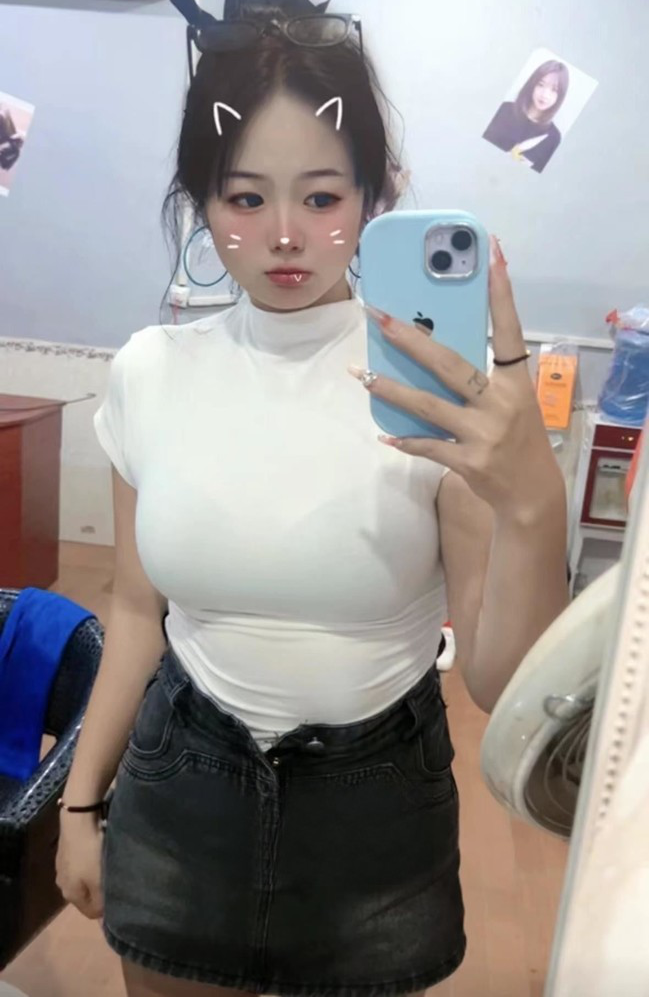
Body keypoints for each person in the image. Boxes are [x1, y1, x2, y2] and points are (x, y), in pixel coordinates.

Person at [55, 4, 570, 996]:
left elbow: (497, 679)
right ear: (201, 200)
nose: (285, 234)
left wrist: (531, 505)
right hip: (180, 789)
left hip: (375, 812)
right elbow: (134, 606)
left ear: (378, 195)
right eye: (244, 197)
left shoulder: (437, 391)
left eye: (323, 195)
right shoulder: (149, 371)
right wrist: (80, 805)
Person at [483, 59, 570, 173]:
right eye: (541, 85)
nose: (545, 95)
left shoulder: (553, 138)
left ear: (560, 96)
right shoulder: (504, 110)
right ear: (532, 84)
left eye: (554, 90)